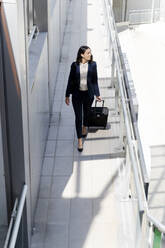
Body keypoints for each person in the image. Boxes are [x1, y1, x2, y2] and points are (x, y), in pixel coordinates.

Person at [65, 46, 101, 152]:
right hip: (77, 95)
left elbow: (95, 80)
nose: (90, 54)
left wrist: (97, 94)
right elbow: (70, 80)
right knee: (78, 117)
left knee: (87, 113)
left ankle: (85, 126)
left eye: (90, 53)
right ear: (82, 55)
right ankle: (80, 140)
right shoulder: (74, 65)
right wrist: (67, 95)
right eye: (88, 53)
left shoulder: (93, 65)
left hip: (88, 94)